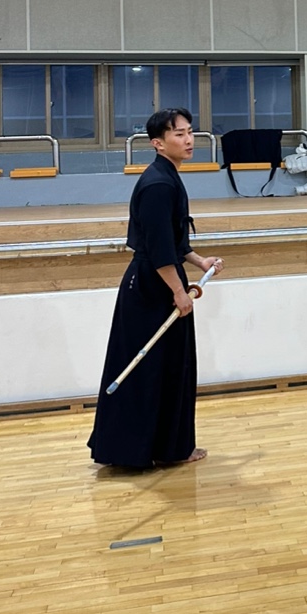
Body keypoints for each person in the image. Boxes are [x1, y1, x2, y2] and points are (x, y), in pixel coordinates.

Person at [88, 108, 223, 468]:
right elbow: (158, 247)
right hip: (151, 288)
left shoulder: (168, 177)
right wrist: (178, 292)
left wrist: (199, 262)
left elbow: (172, 239)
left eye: (190, 132)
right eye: (179, 134)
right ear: (158, 143)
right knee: (148, 369)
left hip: (161, 279)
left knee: (170, 366)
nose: (189, 140)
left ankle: (170, 448)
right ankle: (133, 451)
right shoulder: (158, 184)